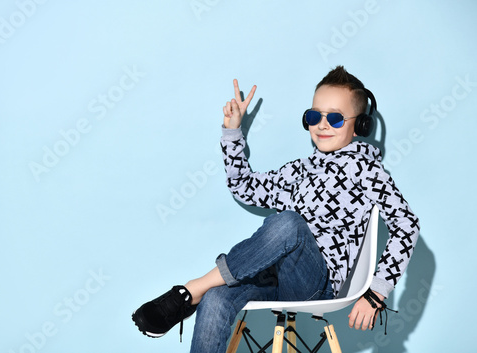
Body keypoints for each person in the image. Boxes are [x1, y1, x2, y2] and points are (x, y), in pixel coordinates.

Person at [132, 66, 420, 353]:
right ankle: (203, 291)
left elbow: (406, 225)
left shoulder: (366, 169)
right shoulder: (300, 169)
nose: (322, 125)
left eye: (335, 118)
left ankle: (193, 288)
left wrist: (376, 292)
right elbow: (244, 187)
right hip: (271, 278)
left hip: (316, 284)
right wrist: (232, 133)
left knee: (289, 223)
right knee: (216, 297)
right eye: (313, 116)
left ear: (360, 126)